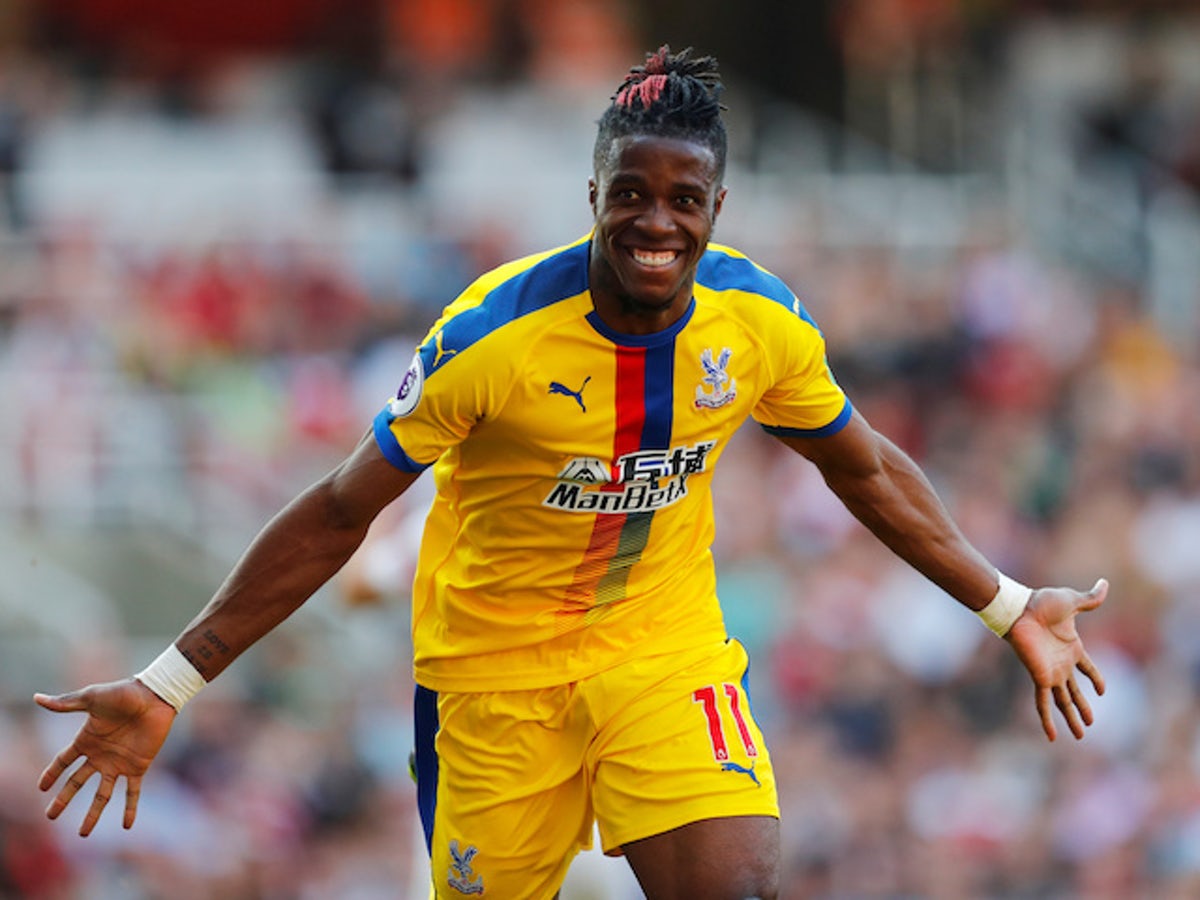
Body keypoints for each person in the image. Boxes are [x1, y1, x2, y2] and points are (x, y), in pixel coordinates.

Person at [35, 46, 1107, 900]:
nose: (655, 221)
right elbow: (336, 513)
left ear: (717, 210)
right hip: (491, 685)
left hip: (661, 654)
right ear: (593, 191)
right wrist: (174, 677)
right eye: (630, 193)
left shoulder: (763, 325)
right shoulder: (491, 340)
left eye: (683, 199)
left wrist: (1007, 604)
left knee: (736, 883)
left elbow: (865, 470)